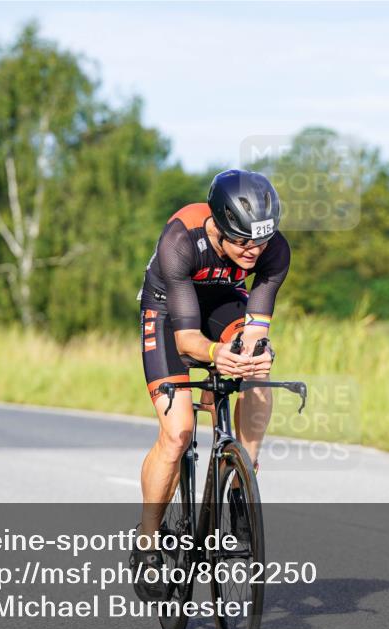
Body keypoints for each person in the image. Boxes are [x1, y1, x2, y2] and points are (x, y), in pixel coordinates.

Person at [131, 169, 291, 601]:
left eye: (261, 241)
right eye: (242, 242)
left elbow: (255, 326)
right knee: (178, 432)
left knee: (258, 362)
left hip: (223, 302)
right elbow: (186, 340)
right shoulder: (181, 240)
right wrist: (217, 356)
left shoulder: (272, 251)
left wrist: (246, 353)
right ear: (218, 227)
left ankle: (242, 480)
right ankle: (146, 542)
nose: (253, 252)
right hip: (169, 309)